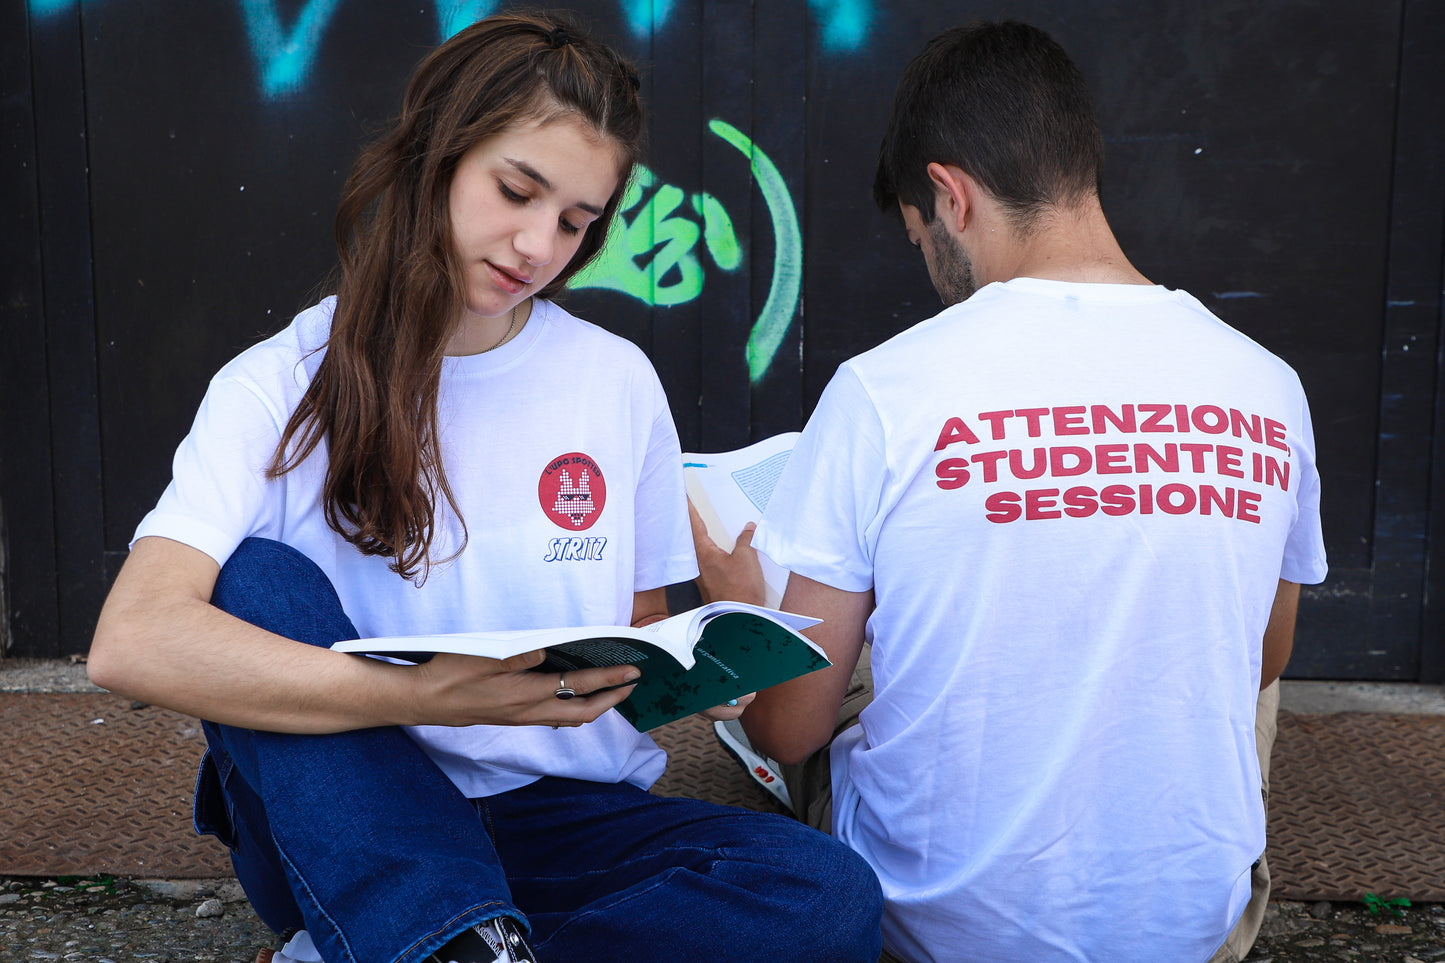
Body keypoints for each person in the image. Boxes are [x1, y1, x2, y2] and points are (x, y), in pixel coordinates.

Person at [86, 12, 882, 963]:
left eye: (575, 222)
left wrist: (711, 656)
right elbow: (130, 642)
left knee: (825, 896)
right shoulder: (279, 382)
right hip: (351, 809)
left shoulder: (613, 378)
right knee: (249, 578)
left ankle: (444, 946)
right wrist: (433, 696)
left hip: (564, 818)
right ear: (438, 154)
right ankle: (429, 924)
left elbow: (625, 653)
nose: (537, 245)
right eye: (517, 191)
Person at [694, 20, 1326, 963]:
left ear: (949, 196)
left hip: (934, 923)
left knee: (825, 652)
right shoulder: (1267, 383)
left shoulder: (883, 390)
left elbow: (791, 731)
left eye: (918, 238)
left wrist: (736, 606)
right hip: (1186, 927)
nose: (930, 269)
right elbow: (1265, 656)